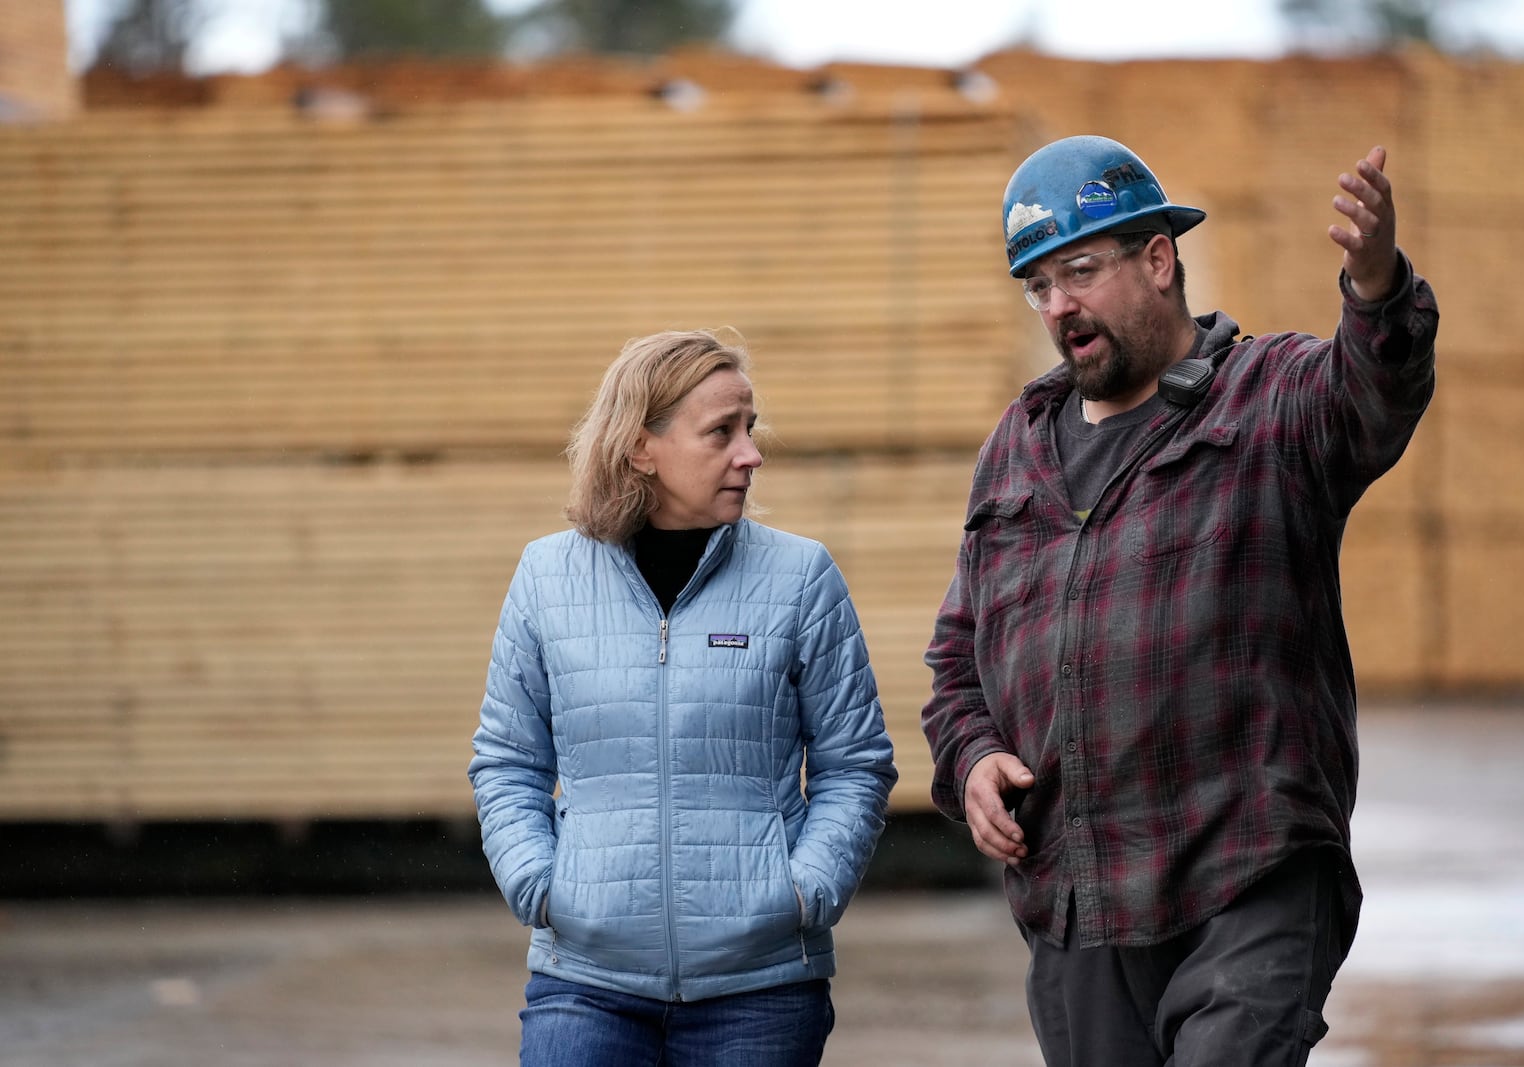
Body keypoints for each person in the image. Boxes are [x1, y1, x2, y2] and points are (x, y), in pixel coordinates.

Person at [921, 136, 1437, 1066]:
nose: (1058, 305)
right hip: (1081, 906)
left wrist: (1376, 288)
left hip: (1247, 874)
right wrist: (972, 757)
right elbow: (958, 654)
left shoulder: (1267, 397)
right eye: (1038, 284)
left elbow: (1374, 395)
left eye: (1079, 270)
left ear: (1158, 260)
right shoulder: (1019, 446)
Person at [469, 328, 897, 1067]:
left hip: (759, 987)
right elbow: (507, 760)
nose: (750, 453)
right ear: (643, 447)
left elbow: (854, 762)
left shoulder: (800, 578)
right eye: (721, 432)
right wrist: (542, 886)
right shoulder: (547, 578)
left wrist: (804, 891)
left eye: (750, 428)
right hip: (586, 981)